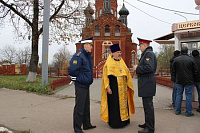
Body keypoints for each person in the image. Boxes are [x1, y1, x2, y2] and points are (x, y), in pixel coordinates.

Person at [101, 43, 135, 129]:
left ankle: (125, 121)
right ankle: (115, 123)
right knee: (114, 105)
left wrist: (128, 82)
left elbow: (127, 73)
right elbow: (105, 77)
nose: (119, 54)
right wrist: (107, 87)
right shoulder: (108, 63)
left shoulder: (122, 62)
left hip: (123, 88)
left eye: (120, 52)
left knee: (124, 104)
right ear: (112, 53)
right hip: (114, 88)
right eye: (117, 52)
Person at [68, 37, 96, 133]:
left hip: (86, 84)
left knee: (86, 106)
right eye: (91, 45)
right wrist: (77, 79)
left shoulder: (86, 56)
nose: (92, 47)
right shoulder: (79, 55)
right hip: (81, 85)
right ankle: (77, 128)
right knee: (79, 107)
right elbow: (72, 69)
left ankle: (87, 124)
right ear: (86, 45)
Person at [133, 38, 157, 133]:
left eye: (140, 46)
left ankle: (150, 128)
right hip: (146, 83)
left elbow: (149, 67)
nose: (139, 48)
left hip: (147, 83)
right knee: (146, 106)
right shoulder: (146, 54)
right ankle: (147, 123)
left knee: (148, 106)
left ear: (144, 45)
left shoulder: (149, 54)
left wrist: (137, 68)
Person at [172, 47, 198, 117]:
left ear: (181, 51)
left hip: (179, 80)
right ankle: (188, 112)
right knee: (188, 96)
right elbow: (195, 71)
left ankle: (177, 111)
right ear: (187, 51)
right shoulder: (191, 59)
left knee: (178, 95)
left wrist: (175, 78)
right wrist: (194, 79)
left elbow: (173, 70)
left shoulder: (176, 60)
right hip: (189, 80)